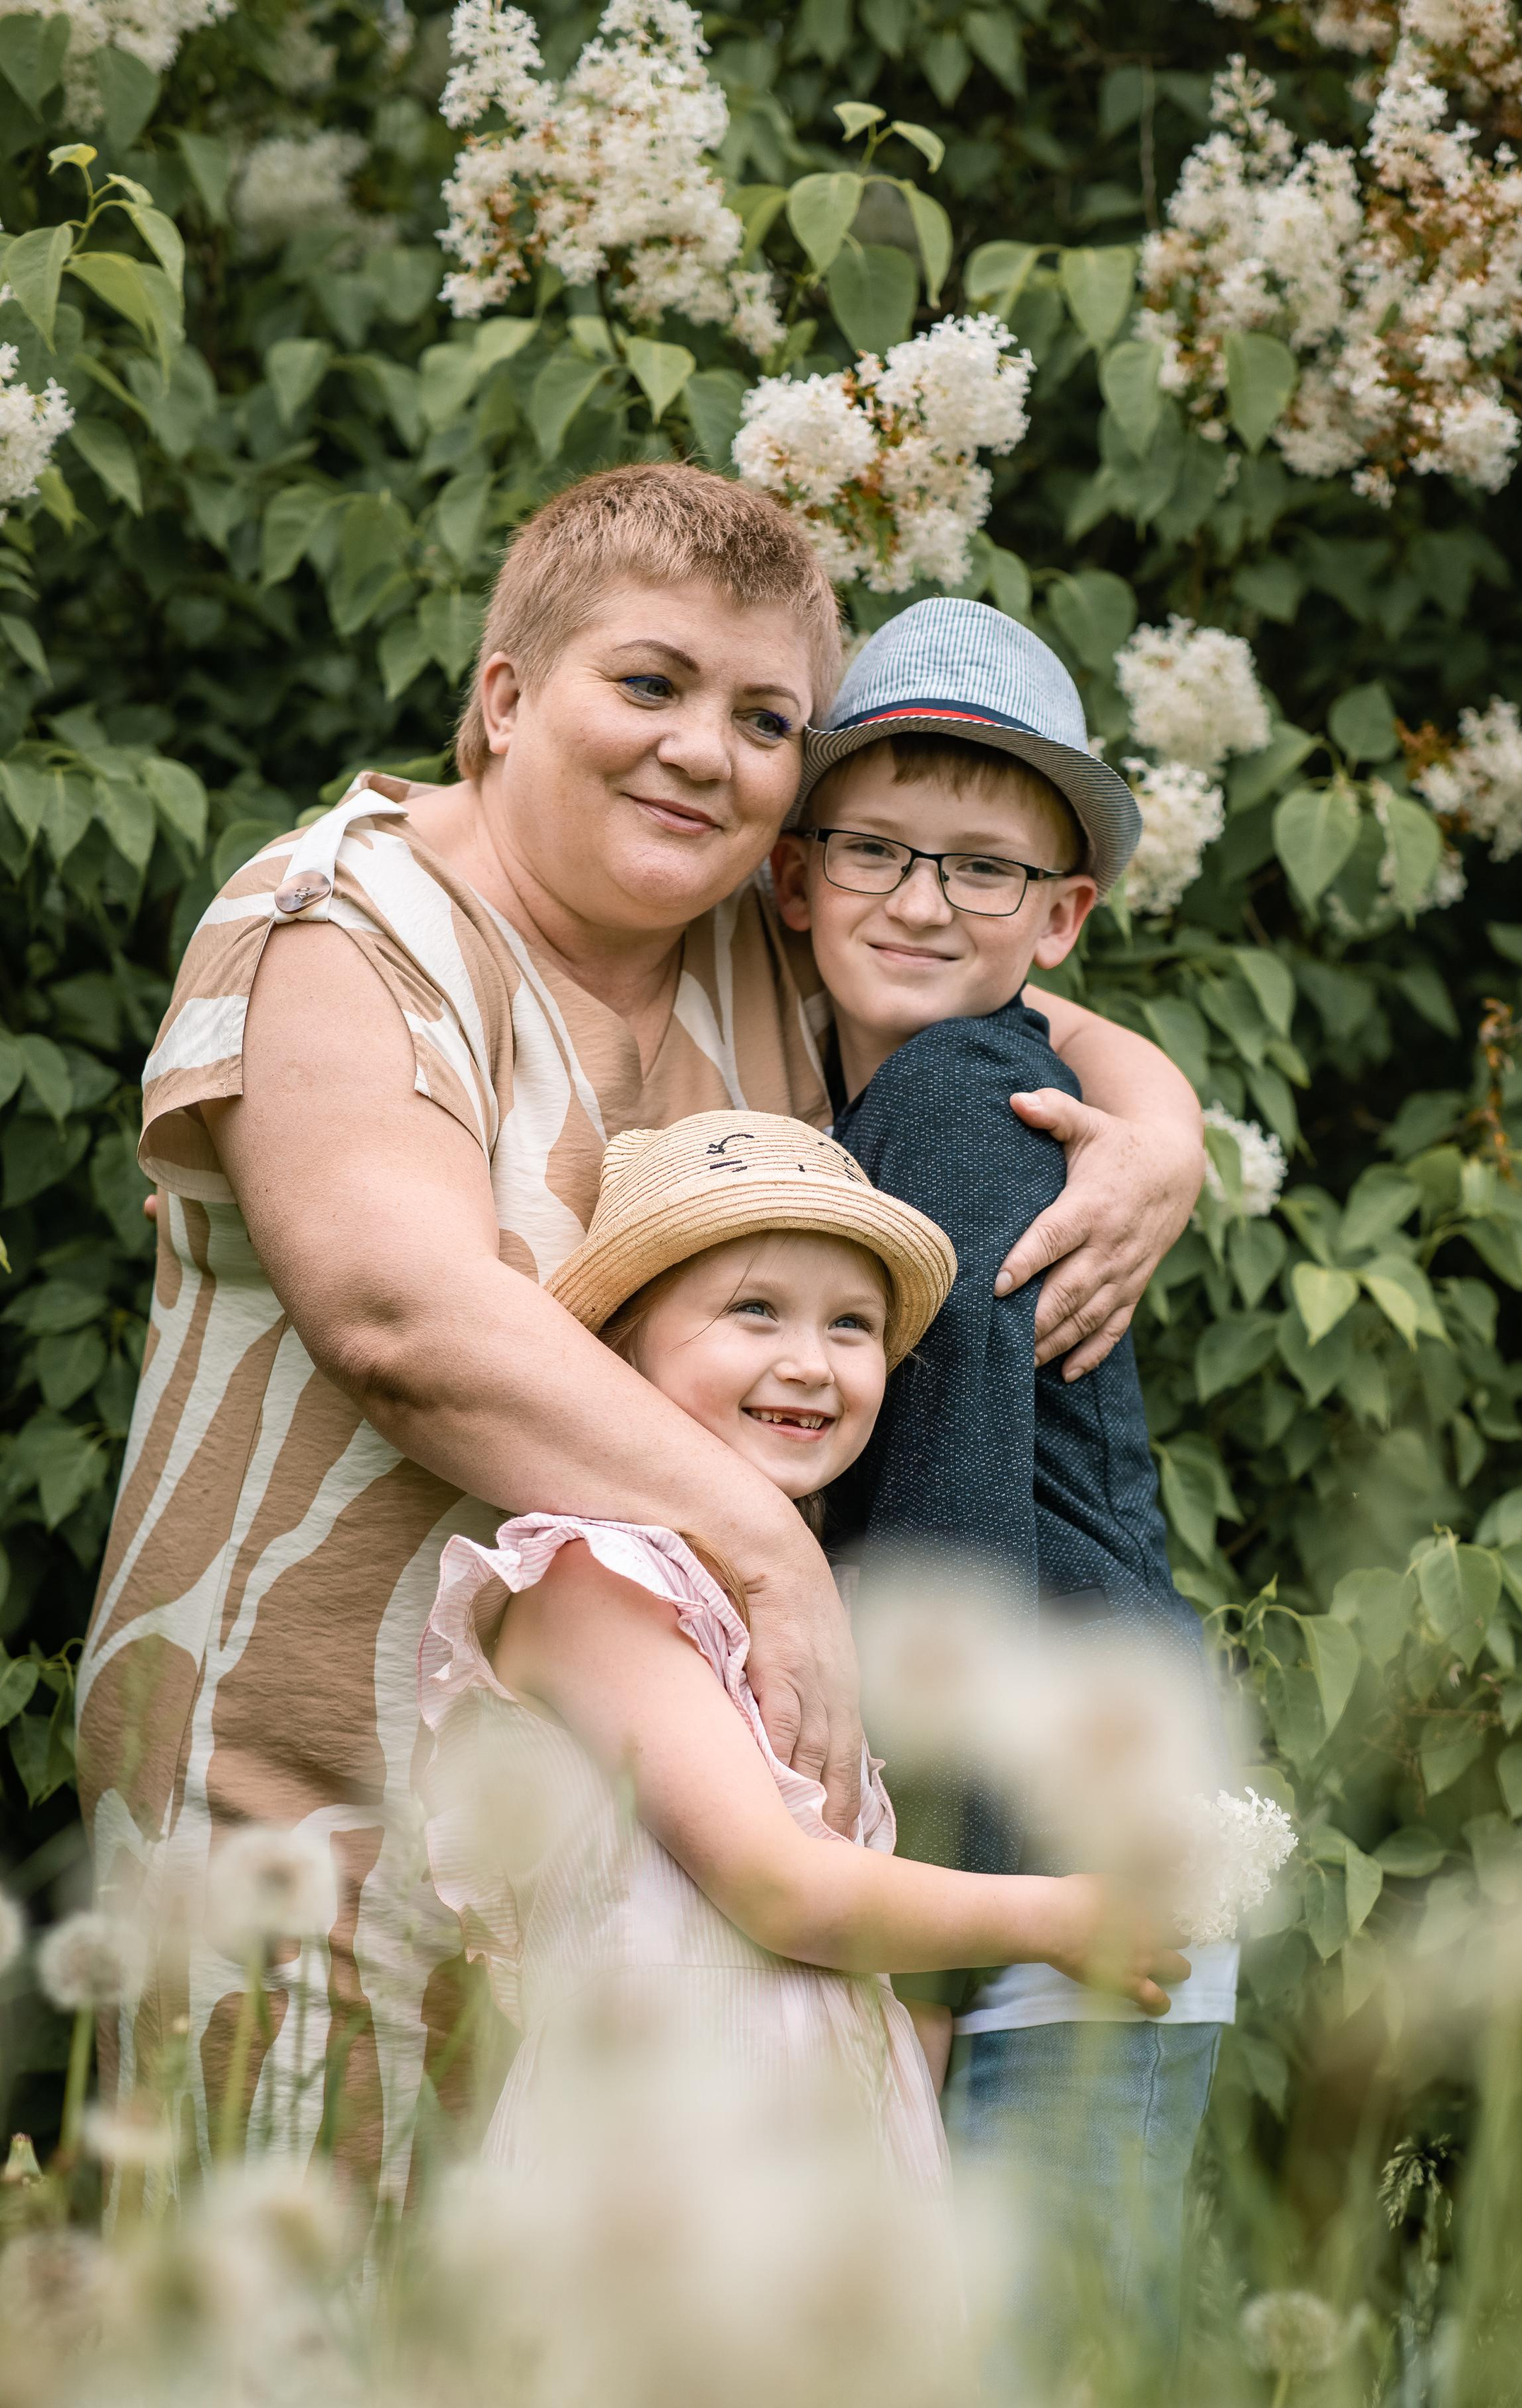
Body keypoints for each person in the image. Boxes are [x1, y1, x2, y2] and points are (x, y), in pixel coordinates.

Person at [76, 465, 1208, 2205]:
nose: (704, 751)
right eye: (652, 684)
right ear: (506, 696)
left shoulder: (727, 944)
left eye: (765, 719)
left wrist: (1152, 1114)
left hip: (653, 1906)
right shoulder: (342, 924)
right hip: (318, 1834)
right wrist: (764, 1547)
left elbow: (984, 960)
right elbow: (401, 1319)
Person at [417, 1112, 1187, 2181]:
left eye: (852, 1326)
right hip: (663, 2164)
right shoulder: (598, 1583)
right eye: (756, 1311)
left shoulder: (813, 1609)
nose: (811, 1364)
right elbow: (779, 1888)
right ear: (620, 1350)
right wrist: (1058, 1914)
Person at [771, 598, 1232, 2365]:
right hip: (1065, 1846)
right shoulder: (908, 1088)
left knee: (1032, 2400)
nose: (919, 899)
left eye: (980, 870)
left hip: (1049, 1868)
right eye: (878, 846)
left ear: (1060, 920)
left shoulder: (964, 1093)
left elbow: (956, 1517)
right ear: (795, 873)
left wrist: (937, 1934)